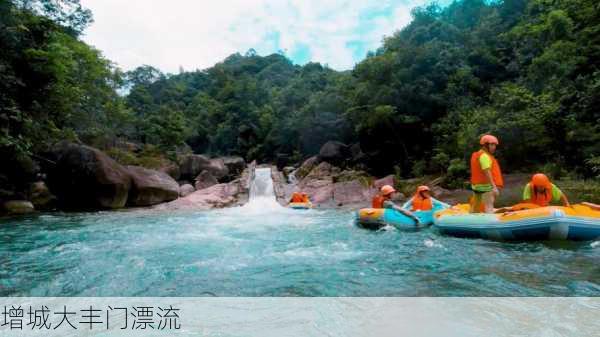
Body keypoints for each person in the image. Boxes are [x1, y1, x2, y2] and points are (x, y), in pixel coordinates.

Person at [470, 134, 504, 213]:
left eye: (495, 145)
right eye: (492, 145)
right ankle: (491, 223)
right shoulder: (484, 156)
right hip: (486, 186)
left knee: (476, 205)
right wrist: (494, 187)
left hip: (476, 186)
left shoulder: (478, 154)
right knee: (489, 204)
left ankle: (471, 219)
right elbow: (487, 172)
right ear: (485, 145)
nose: (494, 147)